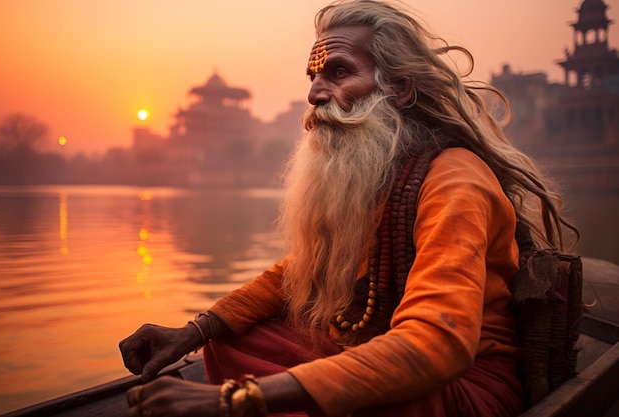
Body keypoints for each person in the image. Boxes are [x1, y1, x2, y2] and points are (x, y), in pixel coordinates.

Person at [119, 1, 578, 416]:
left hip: (463, 383)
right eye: (313, 77)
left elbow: (438, 345)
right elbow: (300, 271)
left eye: (338, 73)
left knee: (371, 401)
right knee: (230, 343)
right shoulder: (378, 176)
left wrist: (239, 398)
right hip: (375, 349)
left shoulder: (455, 178)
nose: (315, 94)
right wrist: (194, 332)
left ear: (398, 88)